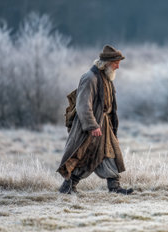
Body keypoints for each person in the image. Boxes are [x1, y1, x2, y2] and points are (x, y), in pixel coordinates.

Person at [57, 45, 133, 195]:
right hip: (91, 126)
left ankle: (115, 188)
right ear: (107, 63)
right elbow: (83, 105)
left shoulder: (106, 77)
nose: (118, 66)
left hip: (104, 125)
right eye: (116, 63)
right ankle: (68, 187)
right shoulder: (90, 78)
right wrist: (92, 125)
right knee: (83, 155)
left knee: (110, 153)